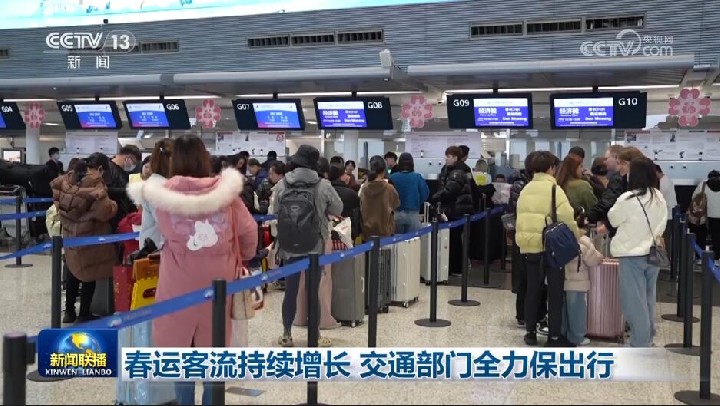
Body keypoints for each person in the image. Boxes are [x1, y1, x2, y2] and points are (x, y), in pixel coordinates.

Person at [128, 135, 258, 405]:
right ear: (204, 158)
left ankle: (184, 401)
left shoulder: (162, 196)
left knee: (181, 348)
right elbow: (249, 231)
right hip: (219, 280)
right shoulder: (226, 194)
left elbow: (156, 232)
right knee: (215, 346)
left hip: (178, 279)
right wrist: (243, 256)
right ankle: (213, 399)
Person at [270, 145, 343, 348]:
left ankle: (286, 334)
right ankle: (315, 335)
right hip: (315, 246)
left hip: (289, 245)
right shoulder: (323, 185)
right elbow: (338, 208)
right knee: (313, 291)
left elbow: (274, 211)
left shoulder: (283, 183)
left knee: (291, 290)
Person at [515, 151, 580, 347]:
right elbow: (567, 217)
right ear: (551, 168)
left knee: (532, 290)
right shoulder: (554, 189)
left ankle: (530, 332)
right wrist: (577, 236)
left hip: (529, 246)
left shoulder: (526, 189)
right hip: (551, 247)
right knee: (555, 292)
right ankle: (554, 337)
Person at [608, 157, 667, 347]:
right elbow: (663, 222)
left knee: (634, 302)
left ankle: (639, 343)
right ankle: (647, 338)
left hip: (631, 255)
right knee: (648, 298)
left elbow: (613, 219)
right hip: (653, 253)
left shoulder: (628, 198)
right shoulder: (658, 196)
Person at [51, 155, 118, 323]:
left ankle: (69, 312)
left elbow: (58, 204)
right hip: (89, 235)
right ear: (99, 168)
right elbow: (105, 212)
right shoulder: (95, 183)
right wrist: (114, 205)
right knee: (89, 274)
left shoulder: (66, 180)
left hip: (70, 234)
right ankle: (84, 314)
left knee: (73, 270)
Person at [507, 151, 541, 328]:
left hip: (526, 234)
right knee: (524, 276)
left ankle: (528, 314)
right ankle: (523, 314)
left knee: (528, 277)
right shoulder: (522, 185)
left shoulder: (524, 184)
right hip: (524, 235)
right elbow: (516, 210)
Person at [430, 146, 476, 276]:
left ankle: (456, 268)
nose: (446, 158)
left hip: (456, 210)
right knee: (453, 240)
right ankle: (453, 267)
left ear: (455, 158)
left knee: (454, 240)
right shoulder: (452, 170)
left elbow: (450, 191)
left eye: (448, 156)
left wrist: (433, 198)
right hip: (455, 209)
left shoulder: (457, 173)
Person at [563, 206, 604, 346]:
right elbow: (594, 259)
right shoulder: (583, 240)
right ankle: (577, 337)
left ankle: (562, 334)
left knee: (562, 310)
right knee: (577, 311)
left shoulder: (559, 235)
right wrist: (600, 256)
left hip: (560, 280)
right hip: (577, 283)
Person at [587, 146, 644, 236]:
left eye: (622, 163)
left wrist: (589, 217)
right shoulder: (648, 184)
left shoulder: (619, 179)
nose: (619, 167)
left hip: (624, 232)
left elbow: (609, 202)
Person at [128, 139, 172, 249]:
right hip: (156, 248)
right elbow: (167, 222)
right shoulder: (156, 187)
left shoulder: (158, 184)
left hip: (156, 245)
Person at [360, 156, 400, 238]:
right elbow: (396, 204)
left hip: (368, 231)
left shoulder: (364, 188)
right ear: (384, 170)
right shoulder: (389, 188)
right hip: (385, 232)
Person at [389, 152, 428, 233]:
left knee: (397, 239)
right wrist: (417, 202)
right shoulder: (417, 177)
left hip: (397, 213)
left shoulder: (392, 177)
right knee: (413, 239)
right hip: (413, 213)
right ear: (412, 164)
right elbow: (425, 193)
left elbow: (388, 196)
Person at [690, 171, 720, 259]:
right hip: (718, 217)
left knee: (701, 238)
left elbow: (694, 198)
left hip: (704, 216)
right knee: (717, 239)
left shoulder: (703, 185)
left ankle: (700, 257)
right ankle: (717, 257)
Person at [329, 163, 362, 240]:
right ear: (342, 176)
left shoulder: (325, 191)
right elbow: (356, 215)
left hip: (329, 231)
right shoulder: (350, 193)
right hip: (347, 232)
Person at [656, 165, 678, 254]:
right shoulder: (666, 180)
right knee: (666, 238)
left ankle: (666, 257)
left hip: (667, 215)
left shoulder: (663, 183)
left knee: (665, 238)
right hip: (668, 213)